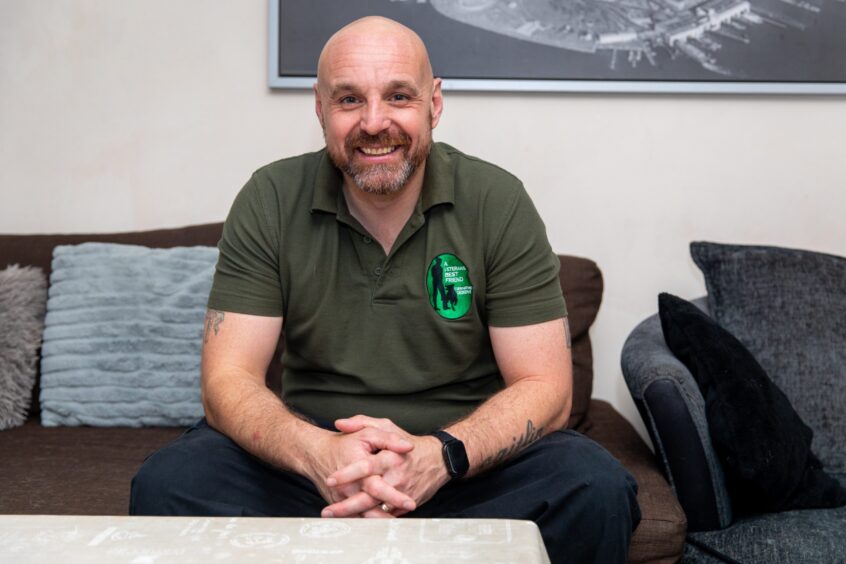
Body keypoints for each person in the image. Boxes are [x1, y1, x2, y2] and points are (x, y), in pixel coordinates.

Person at [130, 16, 640, 563]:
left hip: (464, 466)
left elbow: (548, 387)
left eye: (398, 96)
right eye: (350, 100)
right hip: (311, 466)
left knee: (596, 489)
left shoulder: (498, 201)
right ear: (320, 109)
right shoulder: (269, 199)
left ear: (434, 104)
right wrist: (321, 455)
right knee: (167, 485)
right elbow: (226, 380)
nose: (375, 123)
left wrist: (440, 457)